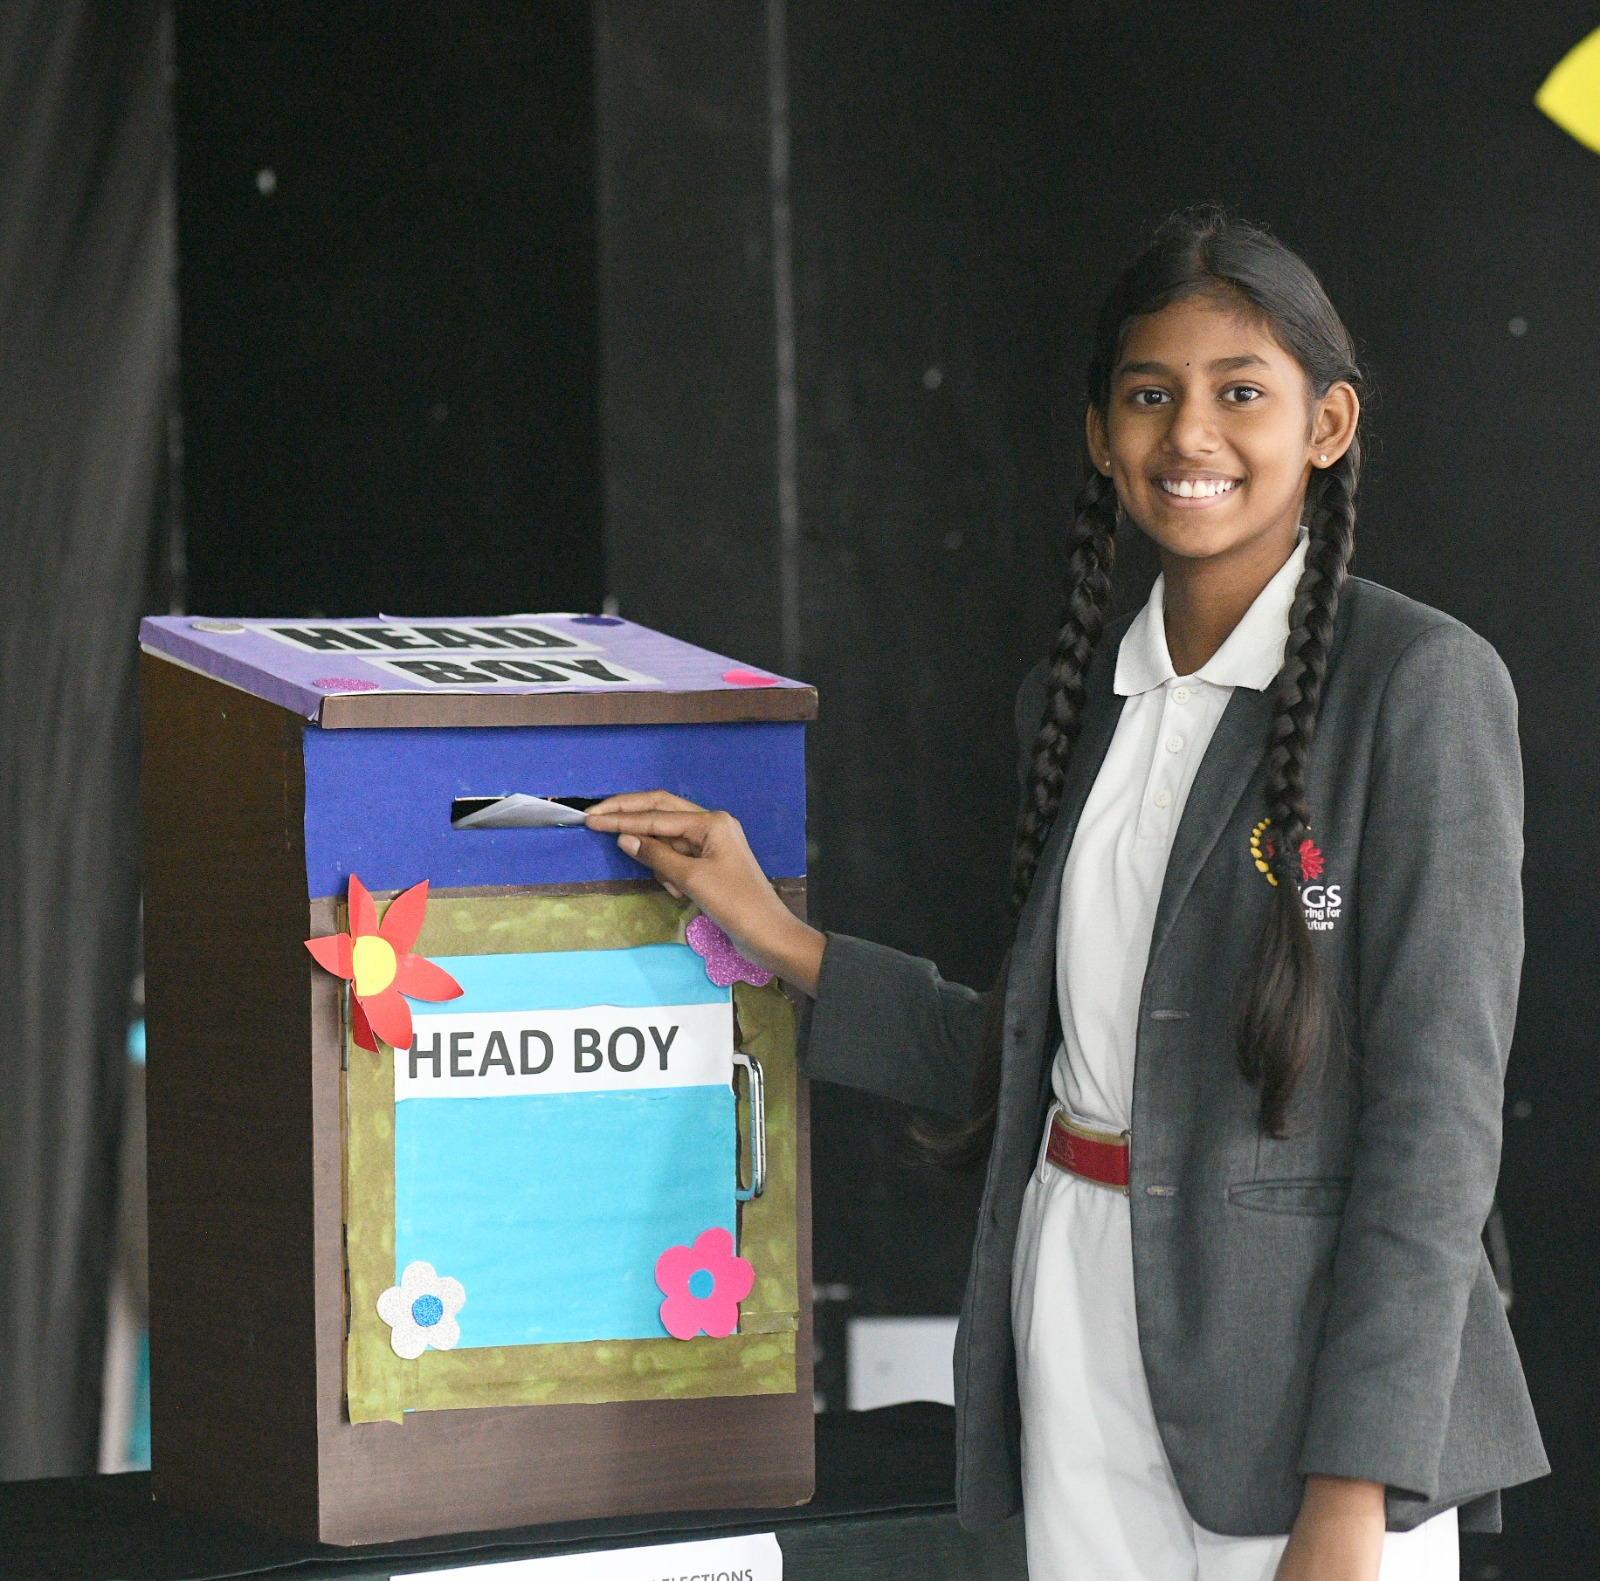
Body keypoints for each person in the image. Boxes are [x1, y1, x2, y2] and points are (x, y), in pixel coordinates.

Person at [584, 209, 1546, 1581]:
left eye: (1241, 392)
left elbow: (1436, 1127)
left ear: (1327, 424)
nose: (1190, 433)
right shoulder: (1074, 703)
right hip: (1075, 1316)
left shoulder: (1421, 684)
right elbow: (1040, 1060)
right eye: (1149, 395)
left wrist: (1356, 1484)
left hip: (1301, 1385)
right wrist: (776, 933)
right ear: (1100, 433)